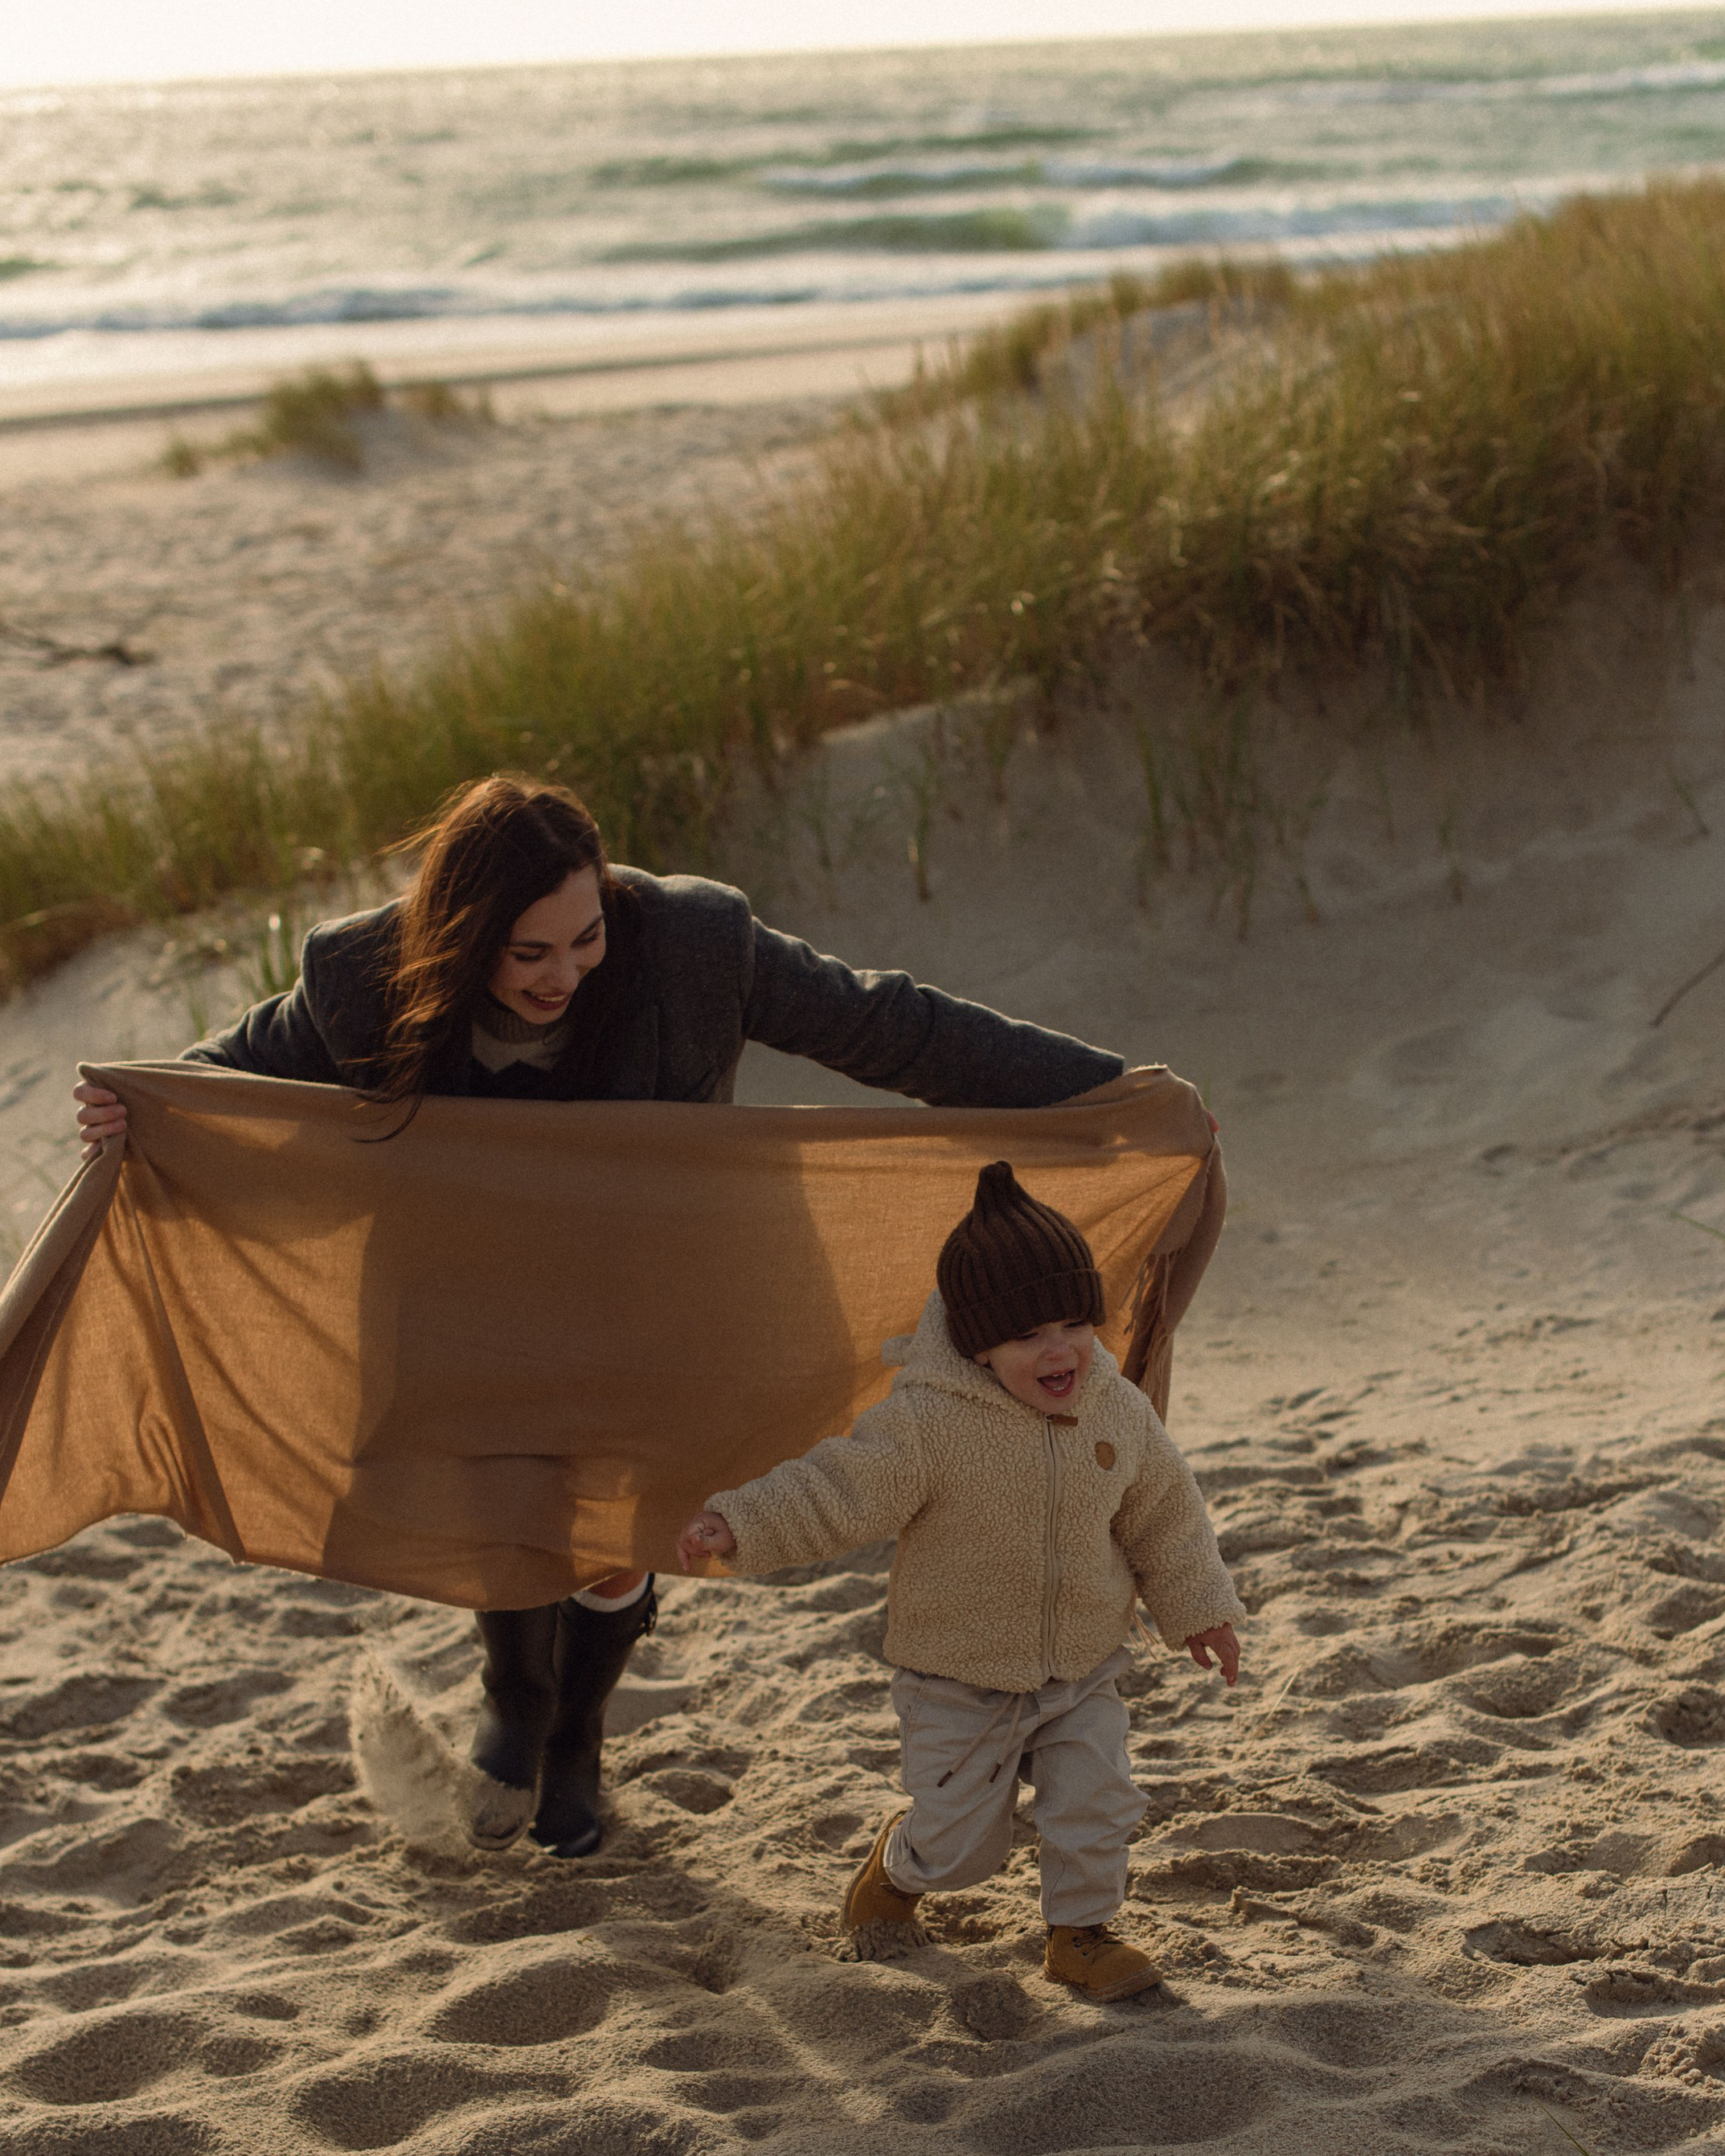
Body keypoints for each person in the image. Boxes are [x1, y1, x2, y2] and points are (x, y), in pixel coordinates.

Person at [73, 777, 1129, 1860]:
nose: (565, 972)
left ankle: (575, 1736)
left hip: (651, 1293)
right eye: (529, 953)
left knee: (620, 1534)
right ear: (461, 932)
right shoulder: (361, 975)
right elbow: (223, 1084)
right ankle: (516, 1698)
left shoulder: (694, 942)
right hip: (462, 1301)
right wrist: (136, 1108)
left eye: (584, 939)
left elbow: (889, 1025)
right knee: (509, 1510)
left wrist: (1097, 1092)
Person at [678, 1160, 1240, 2001]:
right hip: (956, 1678)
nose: (1057, 1350)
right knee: (960, 1848)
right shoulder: (929, 1423)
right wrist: (744, 1522)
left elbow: (1163, 1512)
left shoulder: (1116, 1408)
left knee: (1096, 1803)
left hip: (1081, 1667)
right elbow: (838, 1487)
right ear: (978, 1345)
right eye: (1025, 1337)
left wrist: (1199, 1610)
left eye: (1071, 1324)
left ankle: (1080, 1935)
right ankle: (897, 1871)